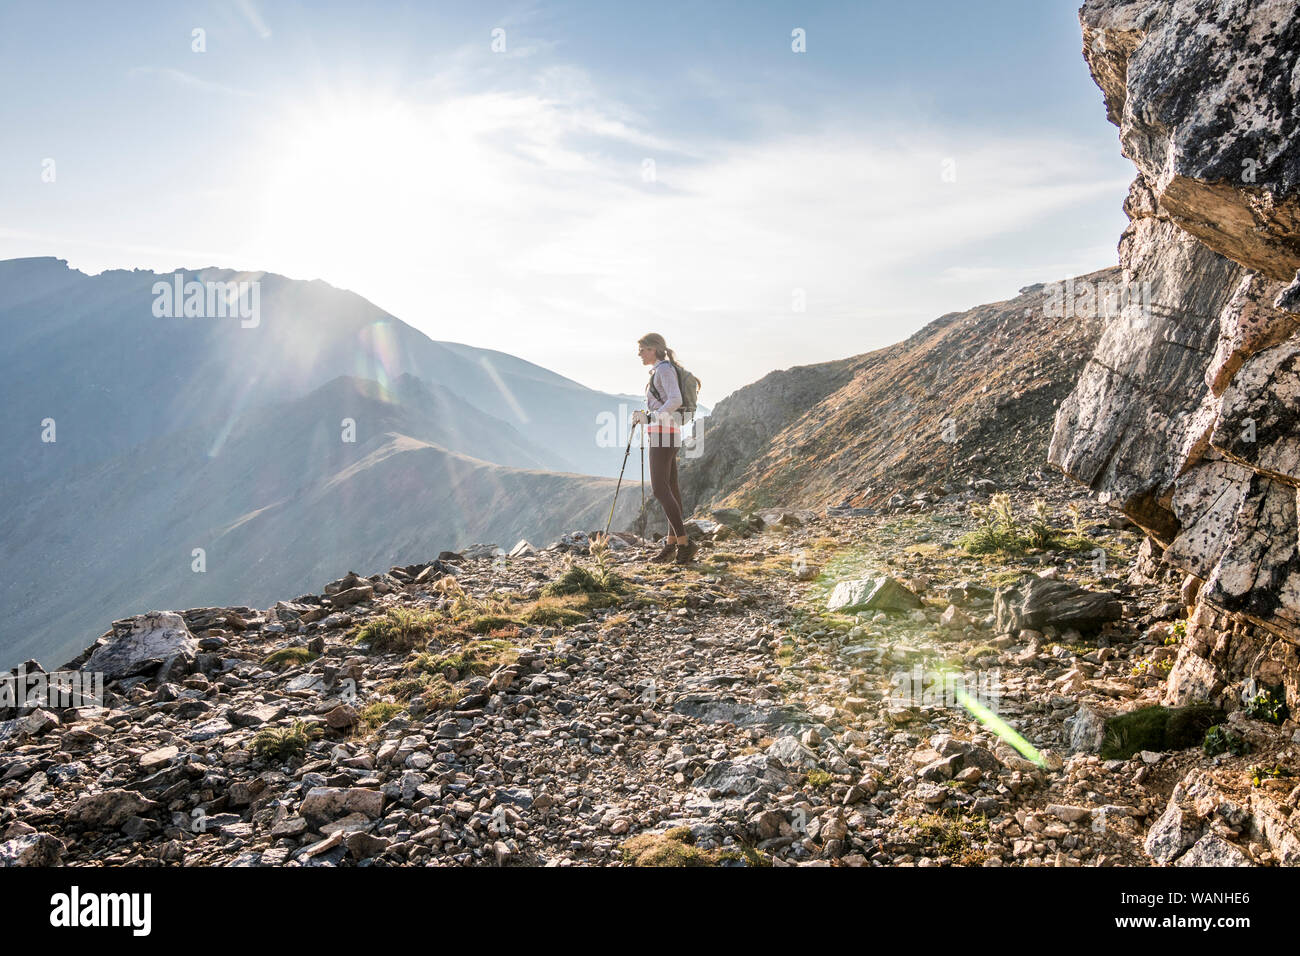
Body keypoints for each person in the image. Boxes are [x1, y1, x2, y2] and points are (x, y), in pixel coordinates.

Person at [632, 333, 697, 564]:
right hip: (668, 433)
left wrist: (651, 418)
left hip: (663, 434)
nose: (639, 354)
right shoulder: (661, 371)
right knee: (671, 488)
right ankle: (672, 544)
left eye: (642, 349)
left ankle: (685, 543)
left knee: (660, 489)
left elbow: (676, 399)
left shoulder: (664, 370)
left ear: (654, 349)